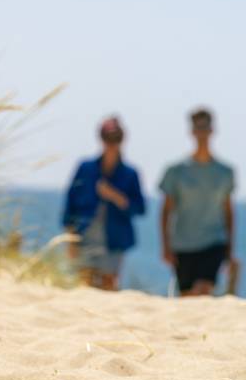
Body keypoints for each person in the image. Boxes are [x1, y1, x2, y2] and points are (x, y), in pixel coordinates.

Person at [62, 117, 146, 290]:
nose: (111, 144)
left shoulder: (130, 173)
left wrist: (116, 197)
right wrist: (70, 240)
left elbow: (140, 208)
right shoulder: (85, 168)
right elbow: (70, 204)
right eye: (108, 138)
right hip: (85, 235)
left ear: (122, 140)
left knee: (108, 285)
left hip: (114, 239)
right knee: (84, 284)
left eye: (116, 139)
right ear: (101, 139)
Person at [159, 108, 237, 296]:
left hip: (213, 243)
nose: (202, 132)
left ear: (212, 130)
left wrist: (229, 250)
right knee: (187, 297)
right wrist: (165, 246)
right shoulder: (175, 171)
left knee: (203, 292)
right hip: (183, 245)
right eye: (198, 127)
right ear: (192, 131)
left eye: (205, 127)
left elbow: (228, 211)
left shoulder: (225, 172)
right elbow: (166, 211)